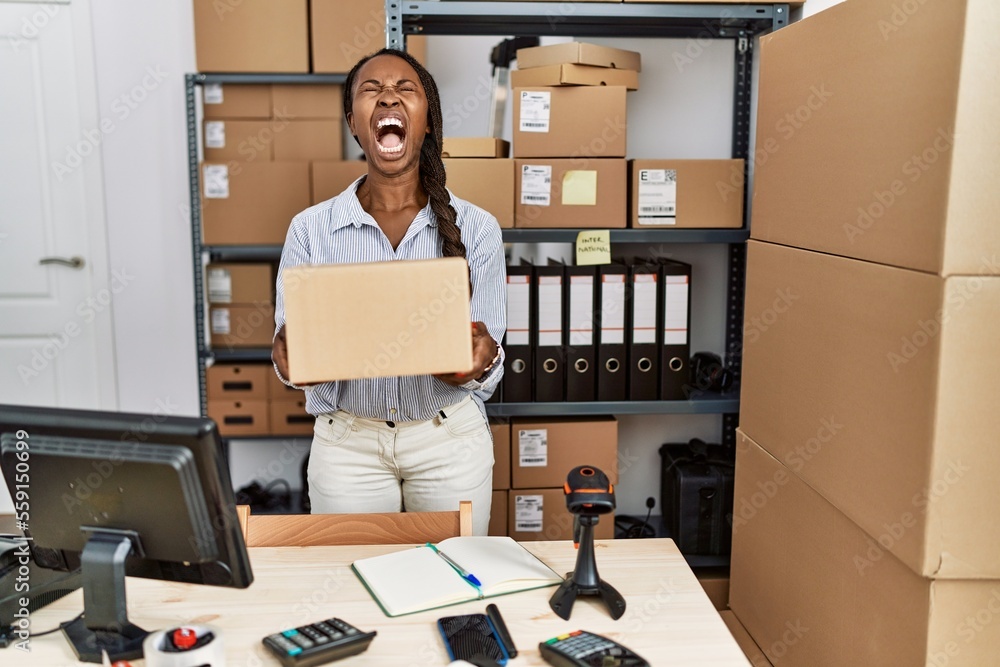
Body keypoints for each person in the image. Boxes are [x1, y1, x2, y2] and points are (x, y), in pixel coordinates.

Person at [271, 48, 506, 536]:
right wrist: (289, 359)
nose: (387, 98)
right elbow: (290, 353)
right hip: (348, 446)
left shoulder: (478, 228)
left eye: (405, 89)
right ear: (354, 125)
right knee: (350, 574)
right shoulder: (310, 229)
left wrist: (483, 359)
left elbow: (489, 361)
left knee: (452, 572)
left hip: (448, 440)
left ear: (427, 121)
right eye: (372, 90)